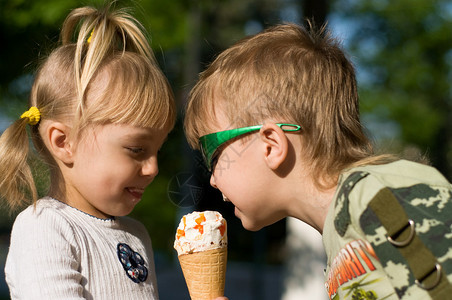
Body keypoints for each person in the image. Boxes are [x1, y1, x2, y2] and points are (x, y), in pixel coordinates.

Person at [184, 23, 452, 299]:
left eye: (212, 153)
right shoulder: (344, 229)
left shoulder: (381, 194)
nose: (213, 178)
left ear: (271, 146)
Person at [0, 2, 177, 299]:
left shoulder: (136, 234)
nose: (153, 168)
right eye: (136, 149)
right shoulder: (45, 227)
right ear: (63, 142)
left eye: (157, 149)